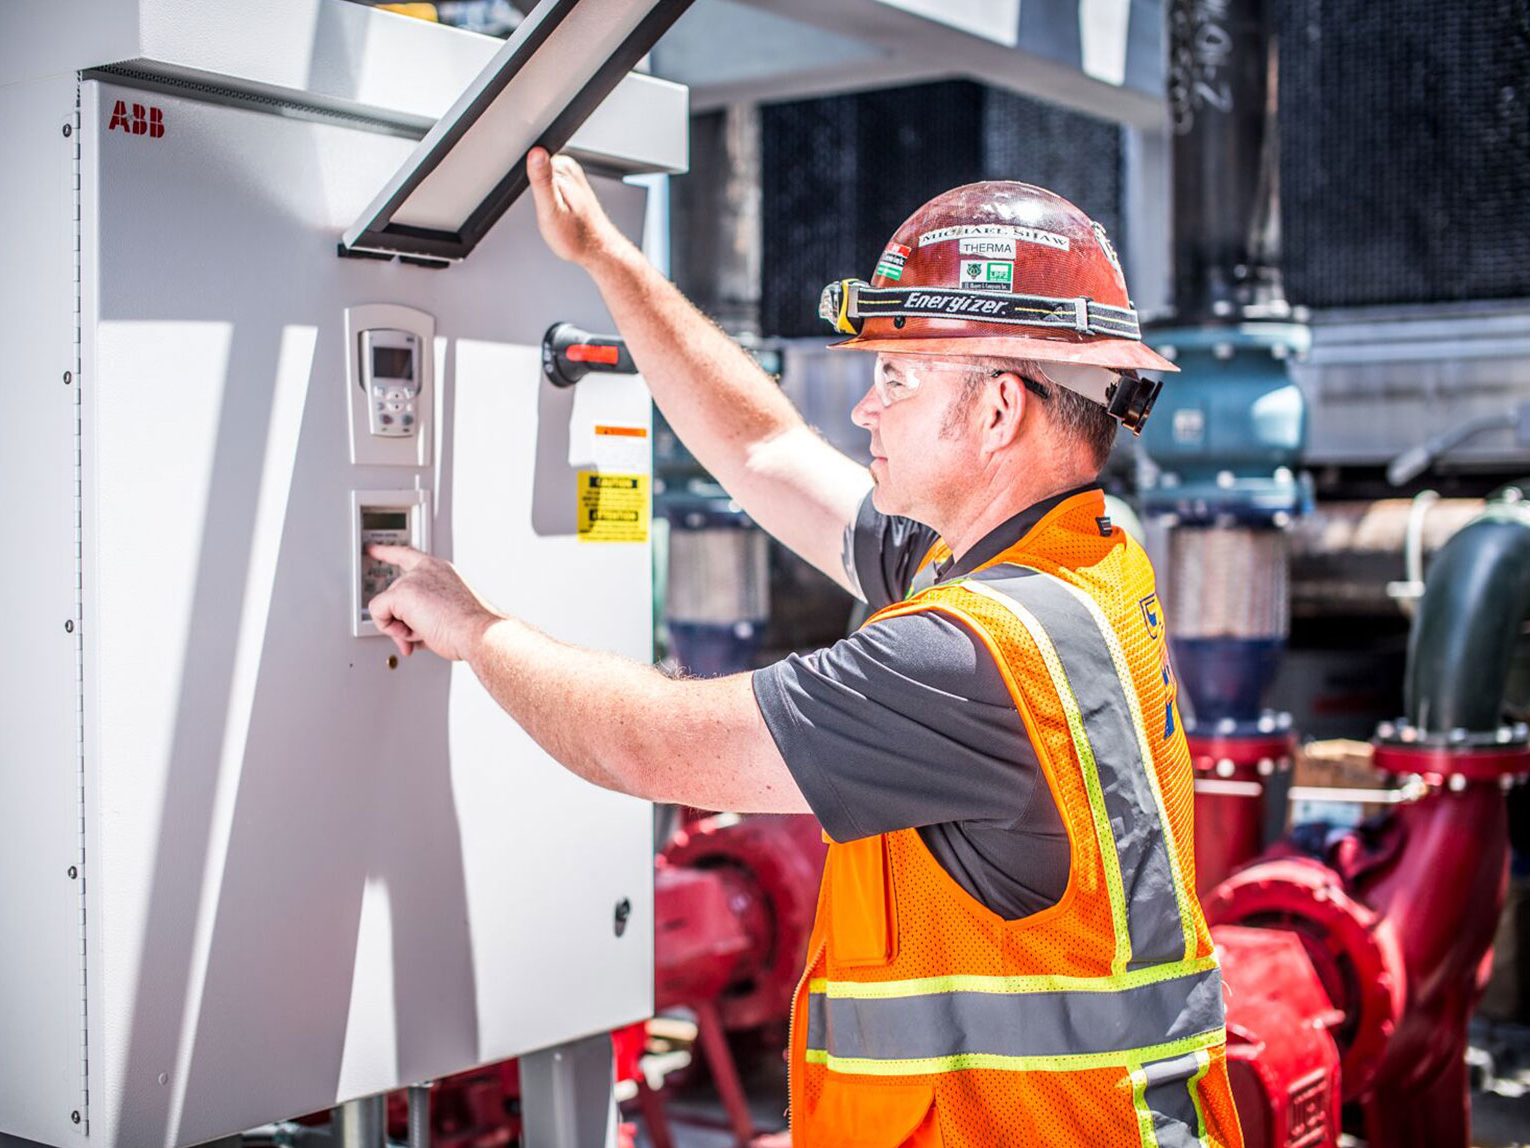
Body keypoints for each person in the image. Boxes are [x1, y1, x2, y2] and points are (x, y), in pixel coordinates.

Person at [367, 146, 1244, 1148]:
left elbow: (652, 744)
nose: (867, 407)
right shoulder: (1079, 560)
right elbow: (766, 454)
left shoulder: (970, 654)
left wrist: (474, 629)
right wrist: (608, 259)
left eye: (898, 376)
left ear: (1001, 407)